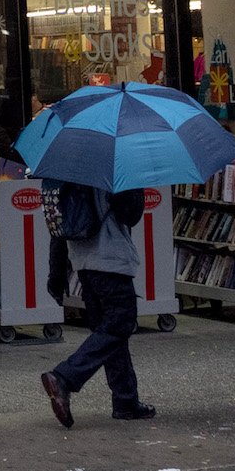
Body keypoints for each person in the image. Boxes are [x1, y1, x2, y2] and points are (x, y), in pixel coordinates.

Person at [40, 180, 156, 428]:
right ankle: (65, 377)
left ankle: (126, 400)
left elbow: (57, 230)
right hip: (111, 259)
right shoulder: (116, 175)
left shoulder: (66, 174)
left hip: (82, 261)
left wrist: (56, 275)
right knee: (119, 324)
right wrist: (134, 186)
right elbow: (130, 214)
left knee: (109, 332)